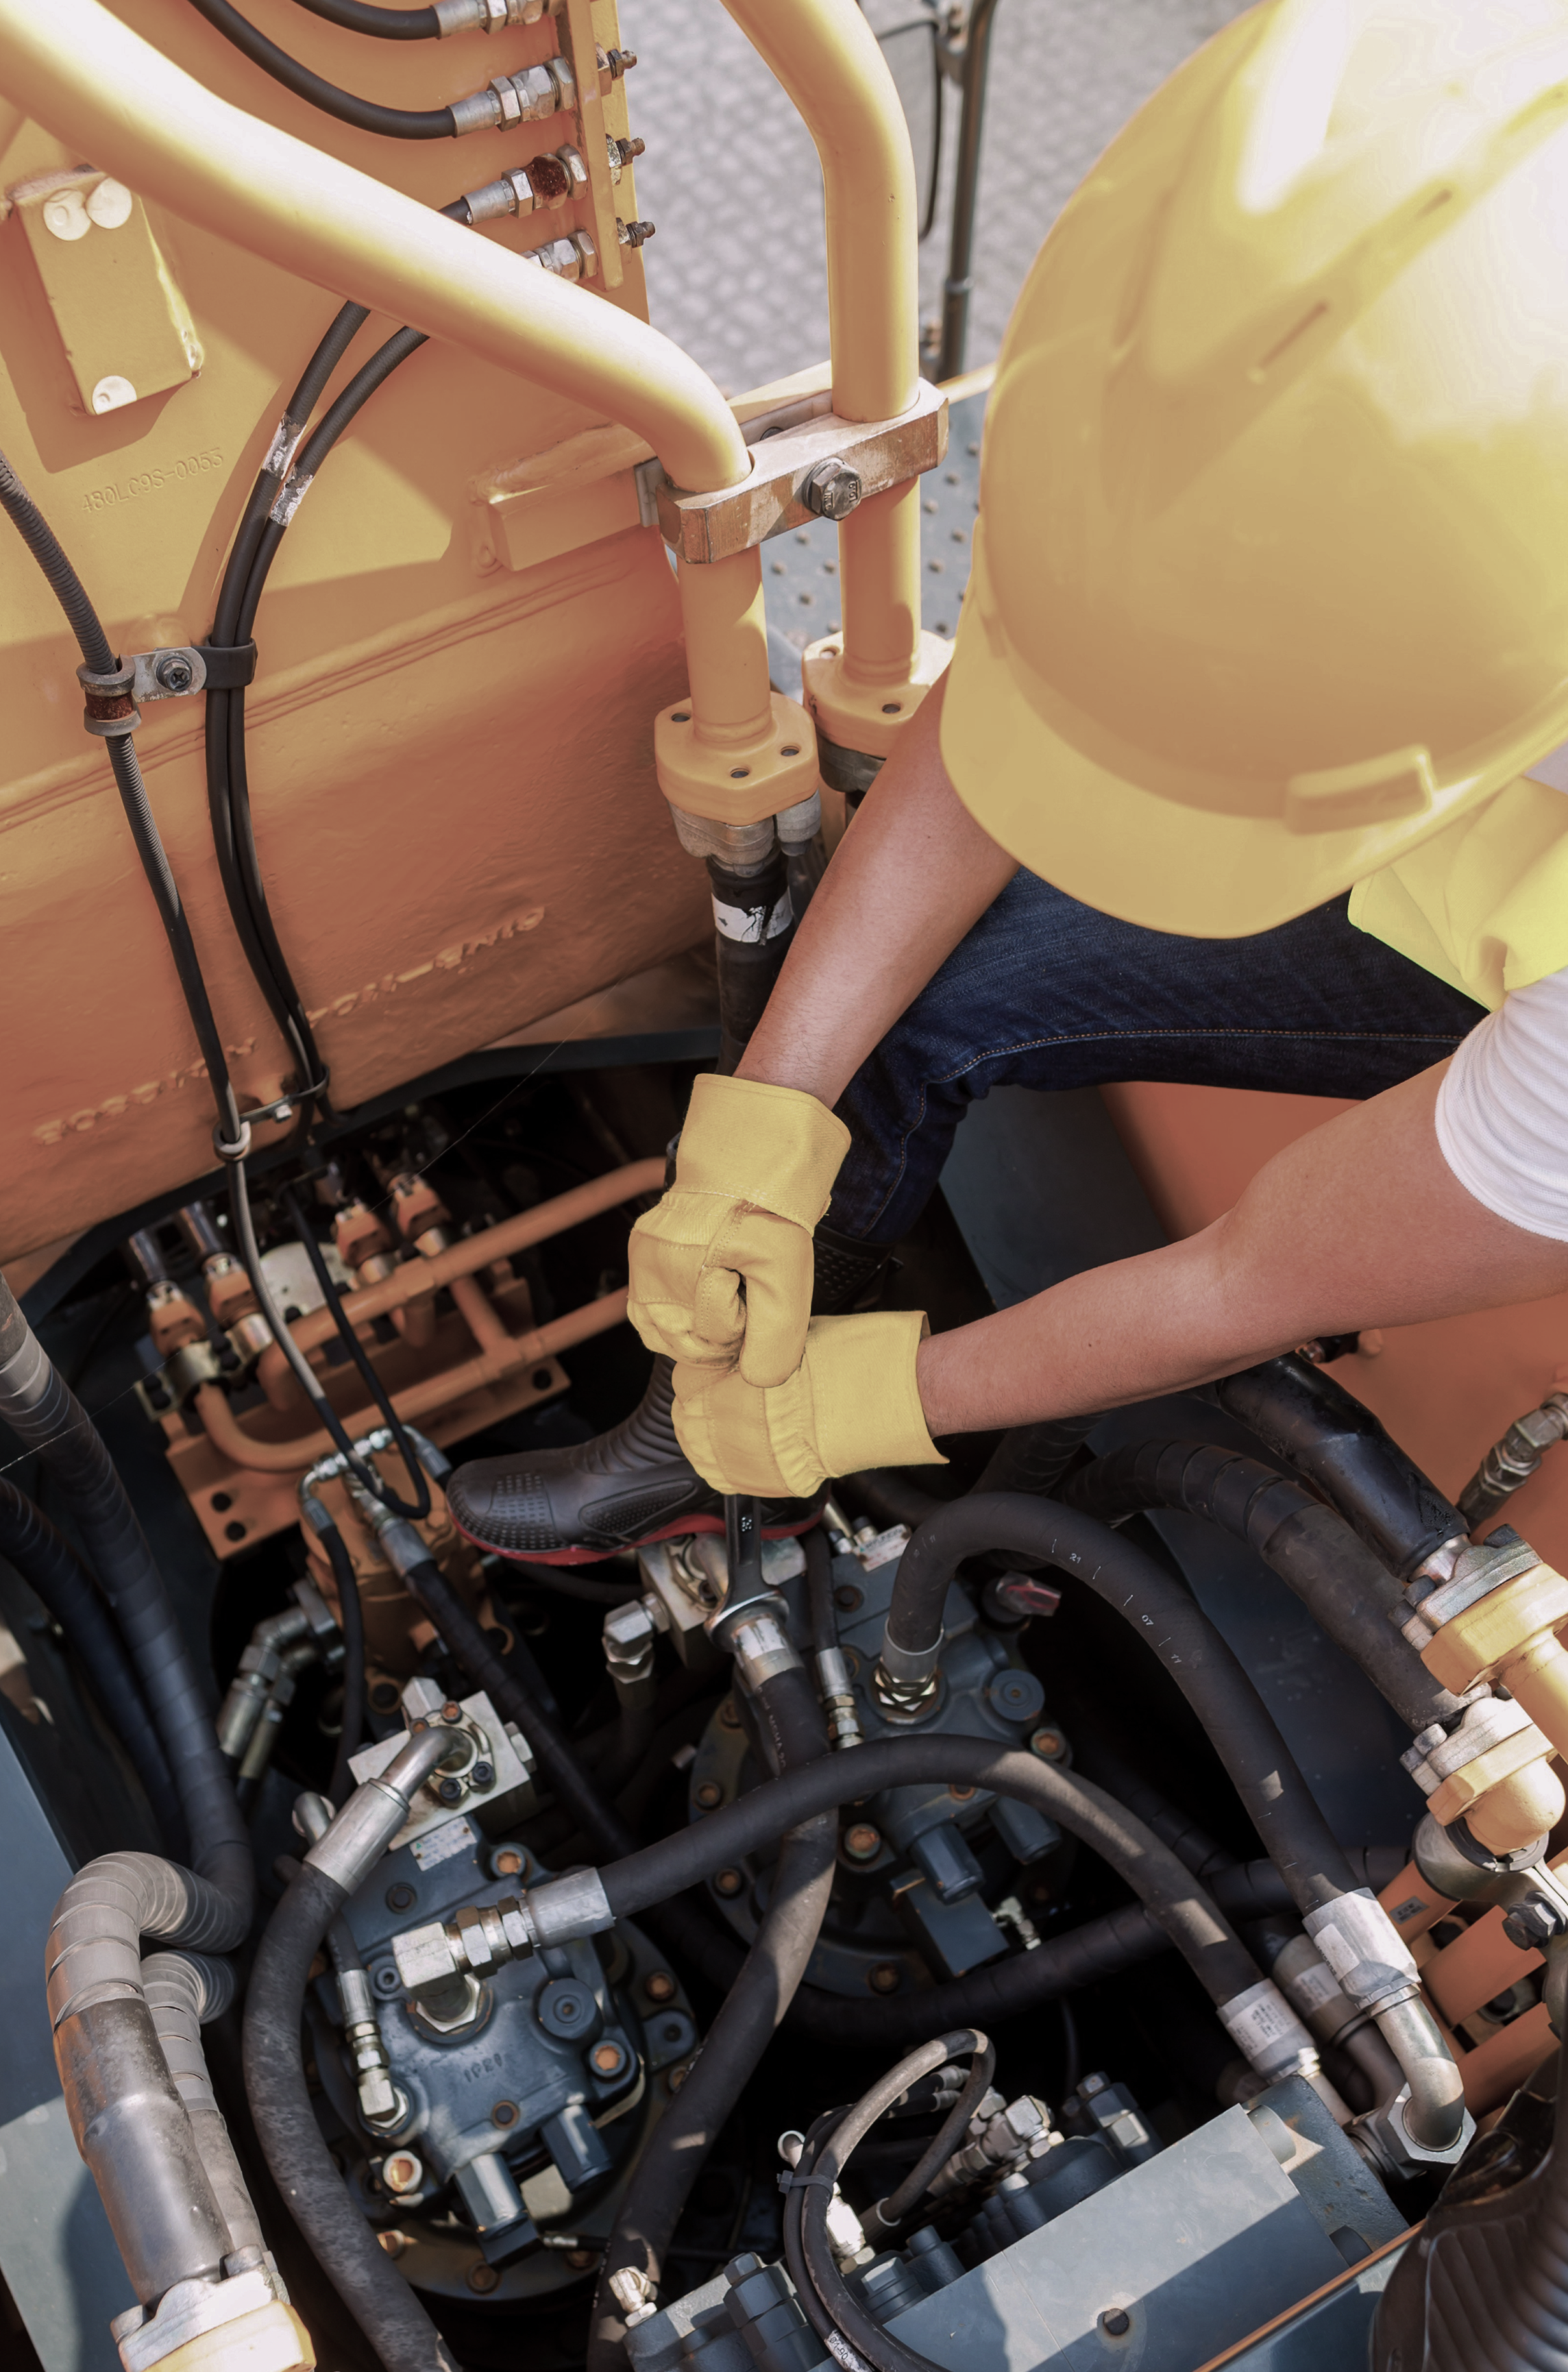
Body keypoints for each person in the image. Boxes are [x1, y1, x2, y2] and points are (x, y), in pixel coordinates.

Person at [448, 0, 1568, 1559]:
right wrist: (765, 1118)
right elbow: (1050, 681)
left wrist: (845, 1410)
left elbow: (1255, 1274)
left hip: (1527, 961)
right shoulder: (1372, 235)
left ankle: (852, 1485)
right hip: (1449, 797)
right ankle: (699, 1394)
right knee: (931, 998)